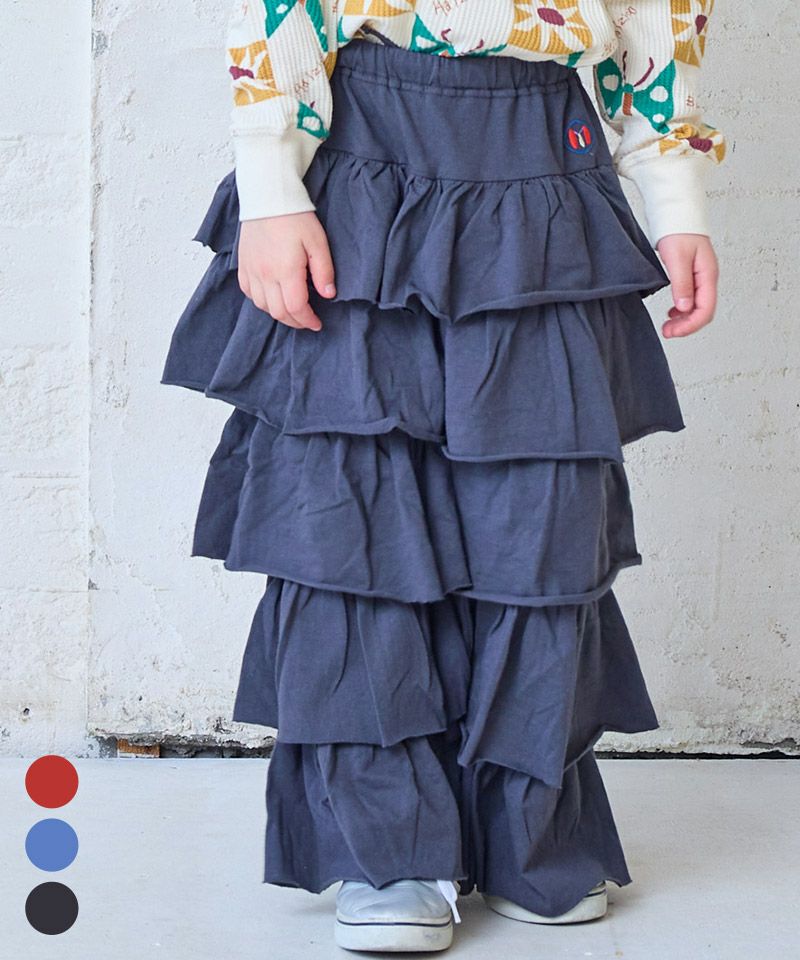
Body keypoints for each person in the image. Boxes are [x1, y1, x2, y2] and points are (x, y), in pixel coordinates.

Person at [160, 1, 725, 952]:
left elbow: (662, 14)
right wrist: (270, 182)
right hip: (361, 145)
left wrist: (674, 197)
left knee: (542, 518)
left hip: (546, 152)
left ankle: (531, 835)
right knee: (353, 518)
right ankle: (386, 848)